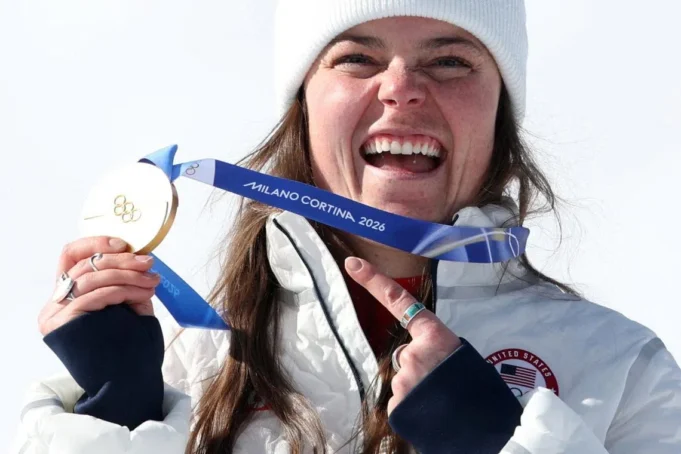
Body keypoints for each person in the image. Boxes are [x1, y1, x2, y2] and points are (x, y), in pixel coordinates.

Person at [12, 0, 681, 453]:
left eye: (450, 60)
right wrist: (115, 414)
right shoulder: (195, 367)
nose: (400, 87)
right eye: (357, 58)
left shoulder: (620, 367)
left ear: (500, 112)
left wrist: (496, 442)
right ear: (303, 107)